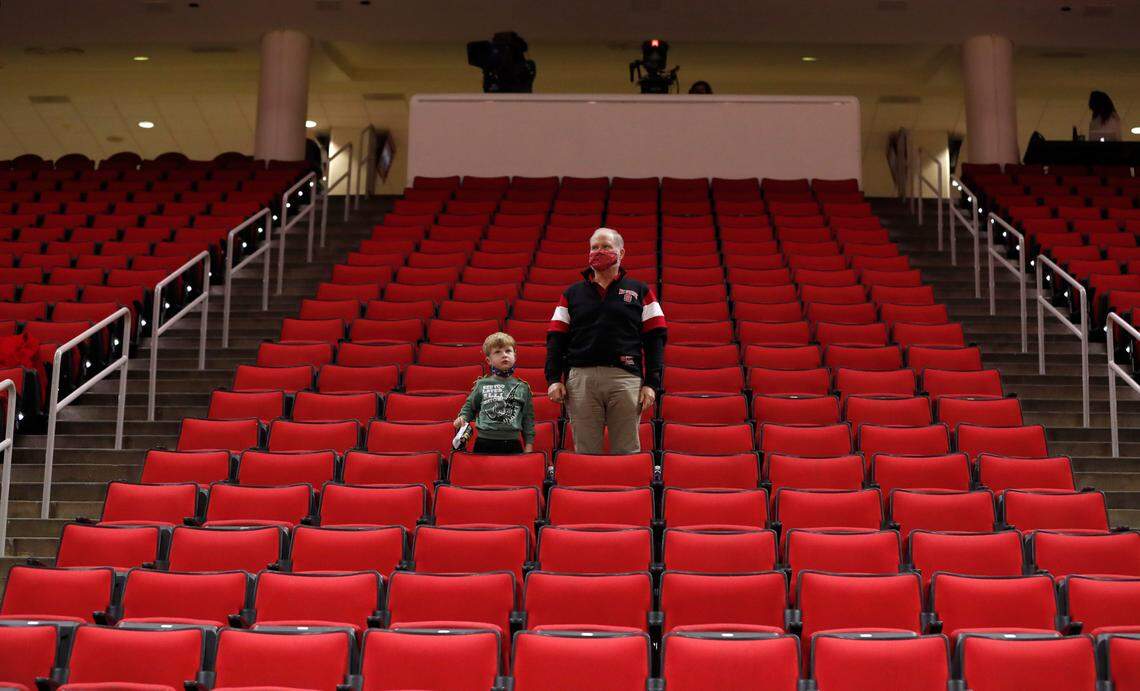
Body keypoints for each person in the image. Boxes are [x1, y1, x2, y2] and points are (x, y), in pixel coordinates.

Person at [545, 227, 667, 453]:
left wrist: (652, 384)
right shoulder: (571, 294)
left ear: (621, 253)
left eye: (606, 247)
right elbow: (556, 338)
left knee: (627, 450)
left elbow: (655, 340)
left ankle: (630, 489)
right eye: (594, 247)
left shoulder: (640, 291)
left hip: (625, 379)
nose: (598, 252)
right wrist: (553, 378)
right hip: (581, 380)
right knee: (585, 451)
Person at [453, 332, 535, 453]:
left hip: (512, 443)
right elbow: (469, 408)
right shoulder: (481, 384)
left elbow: (528, 419)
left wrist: (529, 445)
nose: (504, 355)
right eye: (498, 352)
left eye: (508, 351)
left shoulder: (523, 387)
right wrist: (462, 418)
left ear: (515, 356)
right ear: (488, 360)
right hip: (484, 442)